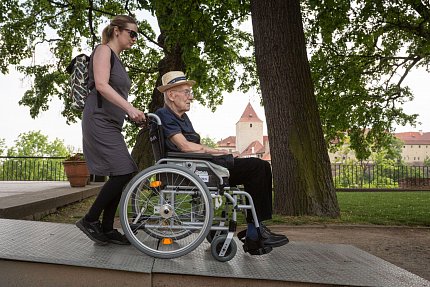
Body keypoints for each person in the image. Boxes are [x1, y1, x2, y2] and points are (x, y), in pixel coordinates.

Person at [155, 71, 289, 254]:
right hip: (195, 168)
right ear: (171, 95)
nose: (191, 97)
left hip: (200, 165)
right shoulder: (164, 114)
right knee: (257, 167)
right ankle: (254, 232)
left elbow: (192, 145)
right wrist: (215, 152)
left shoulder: (182, 118)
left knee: (263, 167)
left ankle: (255, 229)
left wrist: (216, 153)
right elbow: (185, 146)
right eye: (186, 92)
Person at [75, 15, 146, 245]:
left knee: (123, 171)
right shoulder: (103, 50)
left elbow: (117, 95)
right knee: (123, 171)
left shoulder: (118, 59)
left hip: (113, 123)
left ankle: (107, 228)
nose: (135, 39)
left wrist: (132, 114)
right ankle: (90, 219)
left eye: (137, 35)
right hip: (98, 120)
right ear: (117, 30)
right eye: (132, 33)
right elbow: (102, 86)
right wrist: (130, 108)